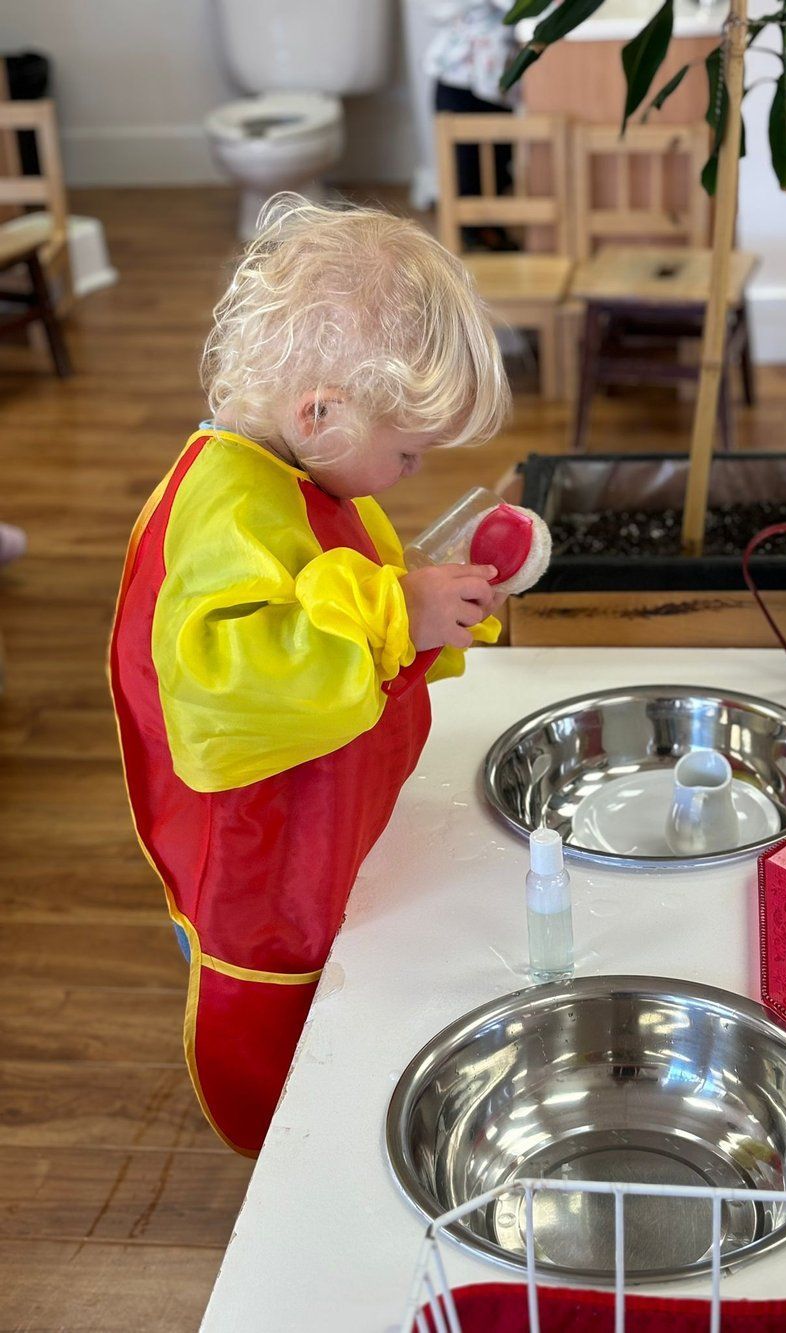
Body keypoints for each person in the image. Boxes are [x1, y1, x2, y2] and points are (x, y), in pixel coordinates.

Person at [108, 197, 511, 1155]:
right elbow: (228, 686)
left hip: (316, 832)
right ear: (320, 413)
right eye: (408, 451)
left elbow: (350, 603)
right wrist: (394, 614)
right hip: (257, 863)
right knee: (287, 1047)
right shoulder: (227, 509)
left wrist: (418, 610)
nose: (411, 471)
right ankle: (306, 1165)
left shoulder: (307, 472)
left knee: (348, 983)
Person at [425, 0, 519, 250]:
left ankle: (488, 227)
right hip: (457, 75)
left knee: (498, 157)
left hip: (496, 79)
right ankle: (470, 231)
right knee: (464, 161)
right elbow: (436, 9)